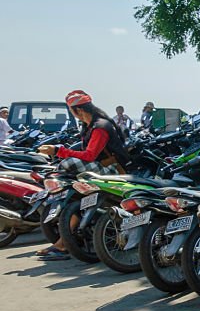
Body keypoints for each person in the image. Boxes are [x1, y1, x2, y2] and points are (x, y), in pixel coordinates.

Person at [35, 91, 130, 260]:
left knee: (68, 163)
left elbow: (89, 155)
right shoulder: (89, 126)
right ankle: (64, 242)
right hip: (97, 168)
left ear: (77, 110)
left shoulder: (100, 127)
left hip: (112, 170)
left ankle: (63, 244)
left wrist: (58, 150)